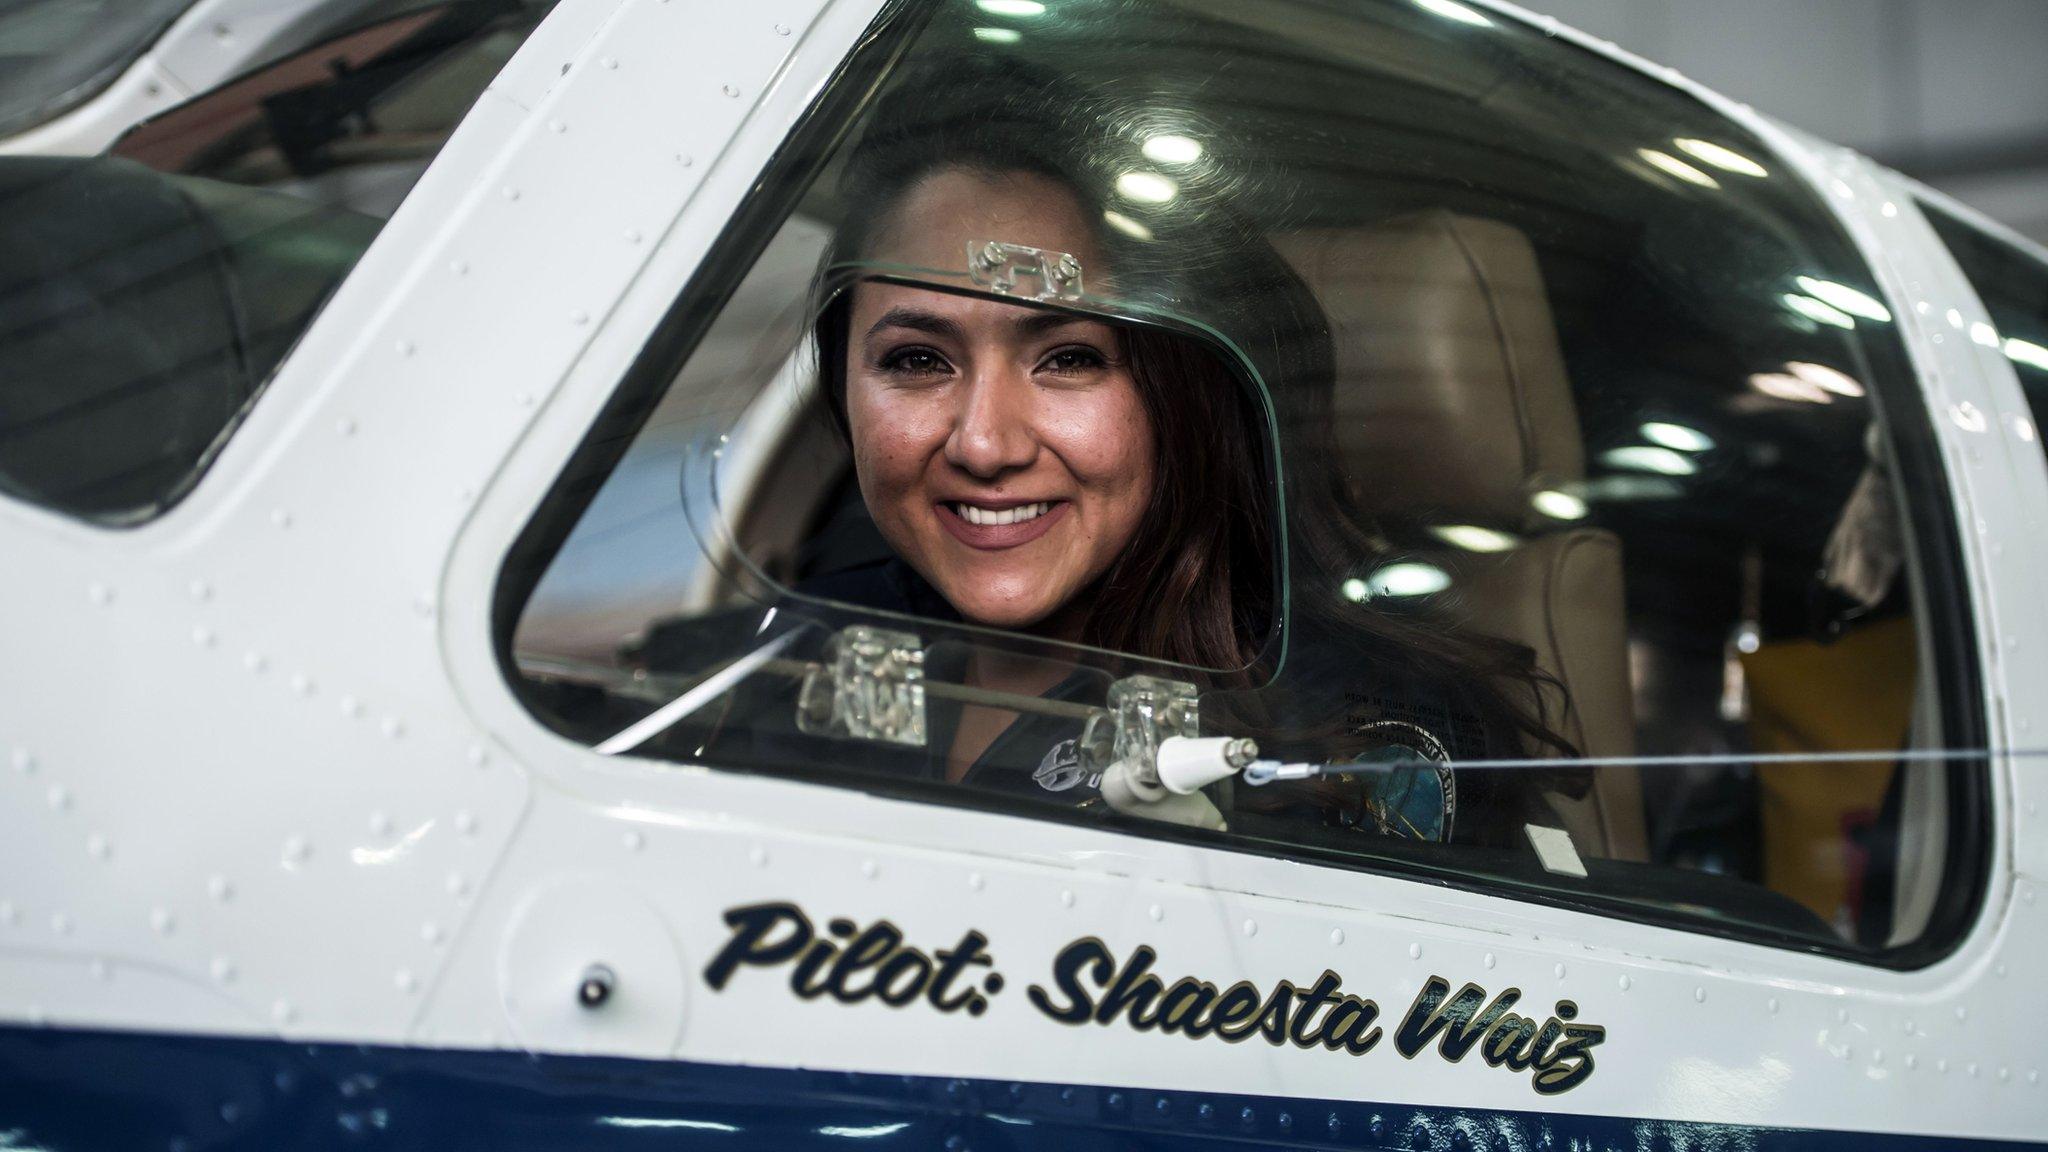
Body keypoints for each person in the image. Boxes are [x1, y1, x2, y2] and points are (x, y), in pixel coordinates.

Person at [666, 60, 1583, 848]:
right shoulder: (808, 652)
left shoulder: (1347, 737)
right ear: (843, 393)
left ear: (1186, 397)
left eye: (1069, 359)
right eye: (917, 360)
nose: (984, 443)